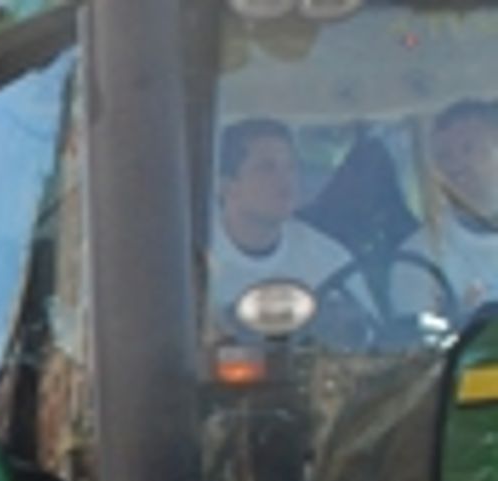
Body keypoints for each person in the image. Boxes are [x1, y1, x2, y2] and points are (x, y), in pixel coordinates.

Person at [209, 118, 359, 326]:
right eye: (266, 168)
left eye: (290, 167)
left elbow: (368, 339)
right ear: (226, 187)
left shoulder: (329, 261)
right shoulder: (192, 261)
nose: (285, 180)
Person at [394, 99, 498, 318]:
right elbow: (418, 342)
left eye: (469, 149)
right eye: (444, 156)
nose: (456, 165)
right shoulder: (420, 255)